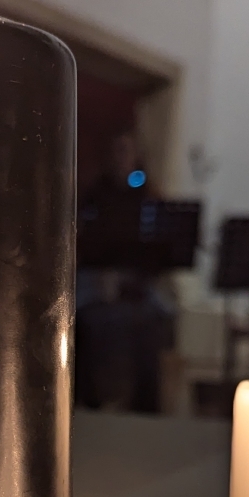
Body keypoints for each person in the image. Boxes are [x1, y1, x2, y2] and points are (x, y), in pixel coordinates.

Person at [75, 129, 174, 413]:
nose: (123, 158)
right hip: (96, 280)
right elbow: (84, 246)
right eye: (117, 151)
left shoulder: (148, 196)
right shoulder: (94, 195)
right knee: (89, 320)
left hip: (137, 283)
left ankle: (147, 406)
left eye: (128, 151)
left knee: (155, 320)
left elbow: (159, 251)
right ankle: (91, 399)